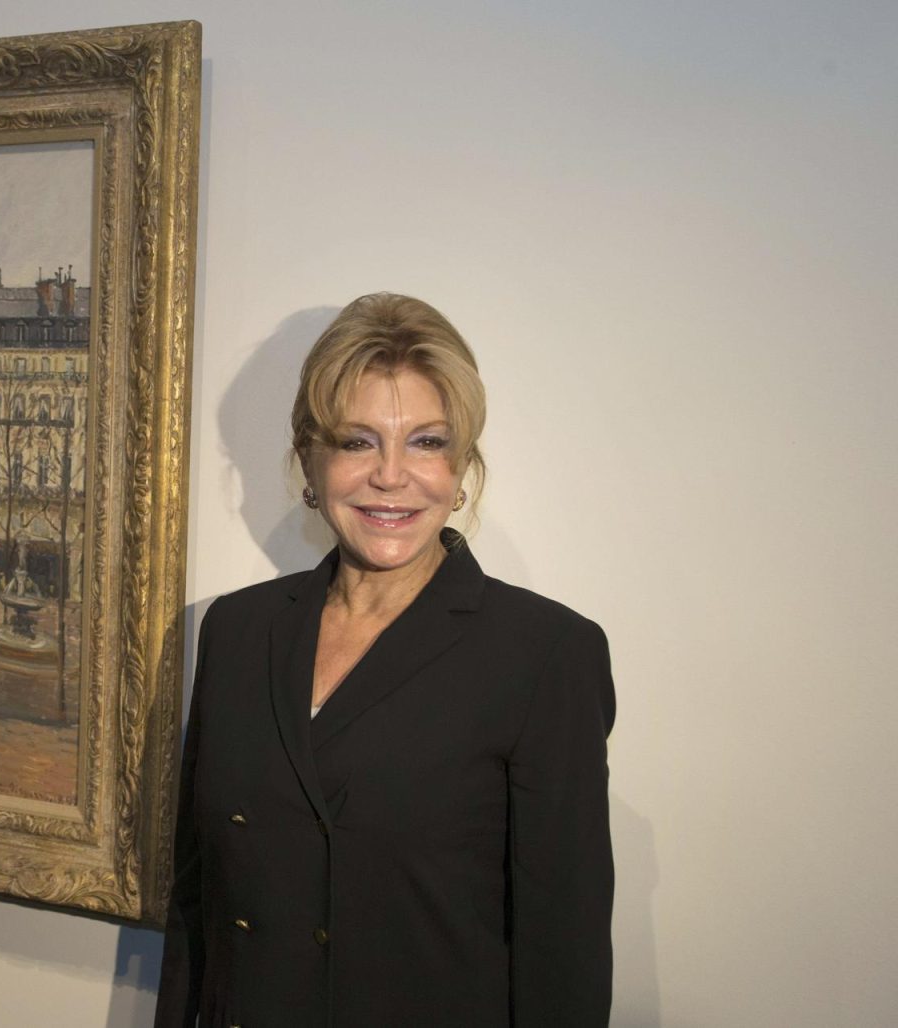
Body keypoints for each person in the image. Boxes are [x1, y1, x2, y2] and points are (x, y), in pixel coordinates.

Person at [155, 293, 615, 1027]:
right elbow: (197, 906)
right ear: (311, 461)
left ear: (461, 467)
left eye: (427, 442)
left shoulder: (544, 655)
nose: (392, 476)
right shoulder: (237, 632)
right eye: (358, 441)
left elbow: (564, 957)